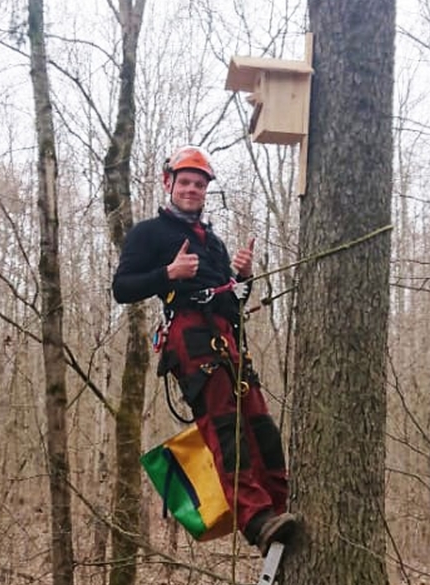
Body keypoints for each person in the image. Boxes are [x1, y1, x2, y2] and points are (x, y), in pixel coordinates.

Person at [112, 146, 298, 554]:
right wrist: (168, 274)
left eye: (199, 184)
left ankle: (280, 503)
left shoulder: (212, 243)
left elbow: (231, 304)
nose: (193, 190)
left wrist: (242, 277)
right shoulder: (150, 234)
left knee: (260, 424)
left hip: (226, 337)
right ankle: (255, 517)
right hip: (190, 337)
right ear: (169, 184)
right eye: (186, 183)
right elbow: (122, 288)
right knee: (224, 425)